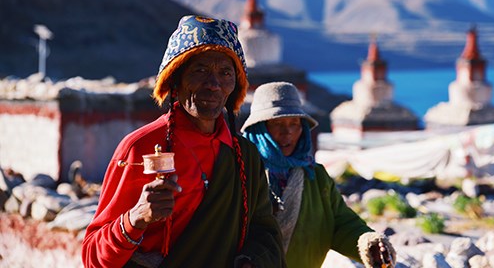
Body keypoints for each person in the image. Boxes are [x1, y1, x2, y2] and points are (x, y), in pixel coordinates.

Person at [82, 15, 285, 268]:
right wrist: (135, 219)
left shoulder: (244, 156)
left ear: (235, 85)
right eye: (200, 70)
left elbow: (265, 233)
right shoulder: (140, 148)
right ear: (175, 80)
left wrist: (250, 263)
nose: (213, 85)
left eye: (225, 73)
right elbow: (92, 256)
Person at [241, 81, 396, 268]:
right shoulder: (242, 172)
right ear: (260, 129)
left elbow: (340, 222)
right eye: (277, 123)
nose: (287, 132)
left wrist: (367, 243)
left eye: (294, 123)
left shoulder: (316, 176)